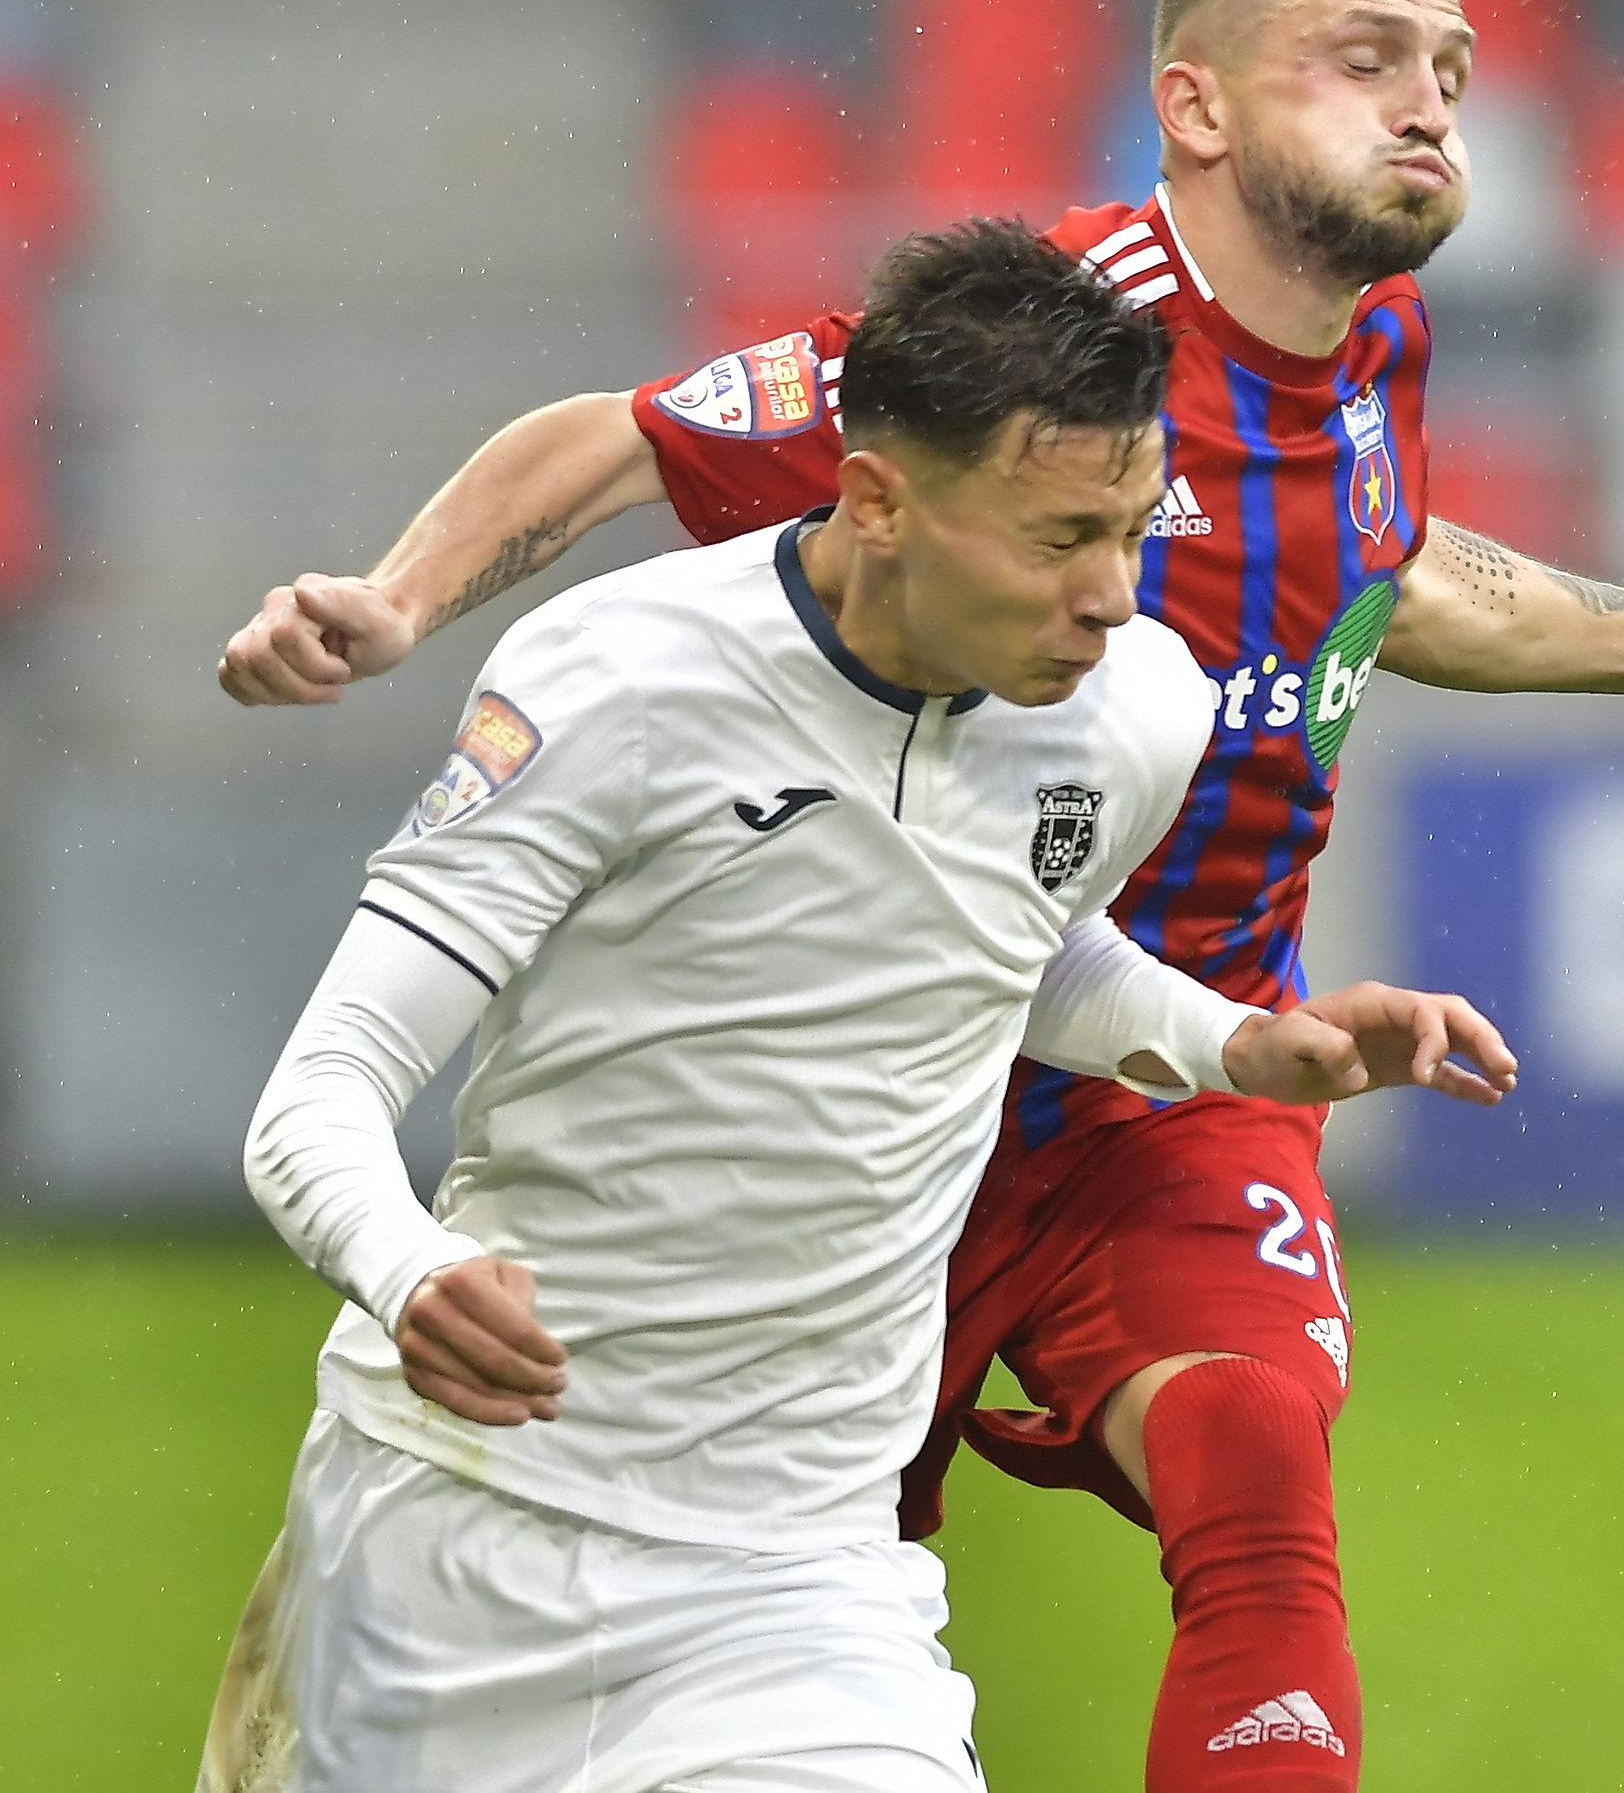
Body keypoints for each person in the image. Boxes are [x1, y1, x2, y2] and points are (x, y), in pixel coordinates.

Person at [218, 0, 1624, 1790]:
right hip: (887, 1094)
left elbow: (1375, 567)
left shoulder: (1377, 353)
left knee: (1255, 1479)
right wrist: (394, 598)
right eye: (1364, 62)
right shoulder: (1042, 366)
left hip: (1177, 1077)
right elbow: (628, 433)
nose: (1430, 105)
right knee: (728, 1519)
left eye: (1450, 67)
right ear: (1195, 107)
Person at [203, 221, 1511, 1793]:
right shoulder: (615, 682)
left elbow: (1013, 934)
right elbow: (321, 1091)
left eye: (1129, 529)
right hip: (461, 1536)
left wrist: (1231, 1042)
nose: (1110, 594)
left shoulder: (1134, 707)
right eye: (1055, 539)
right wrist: (409, 1267)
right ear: (880, 500)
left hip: (801, 1575)